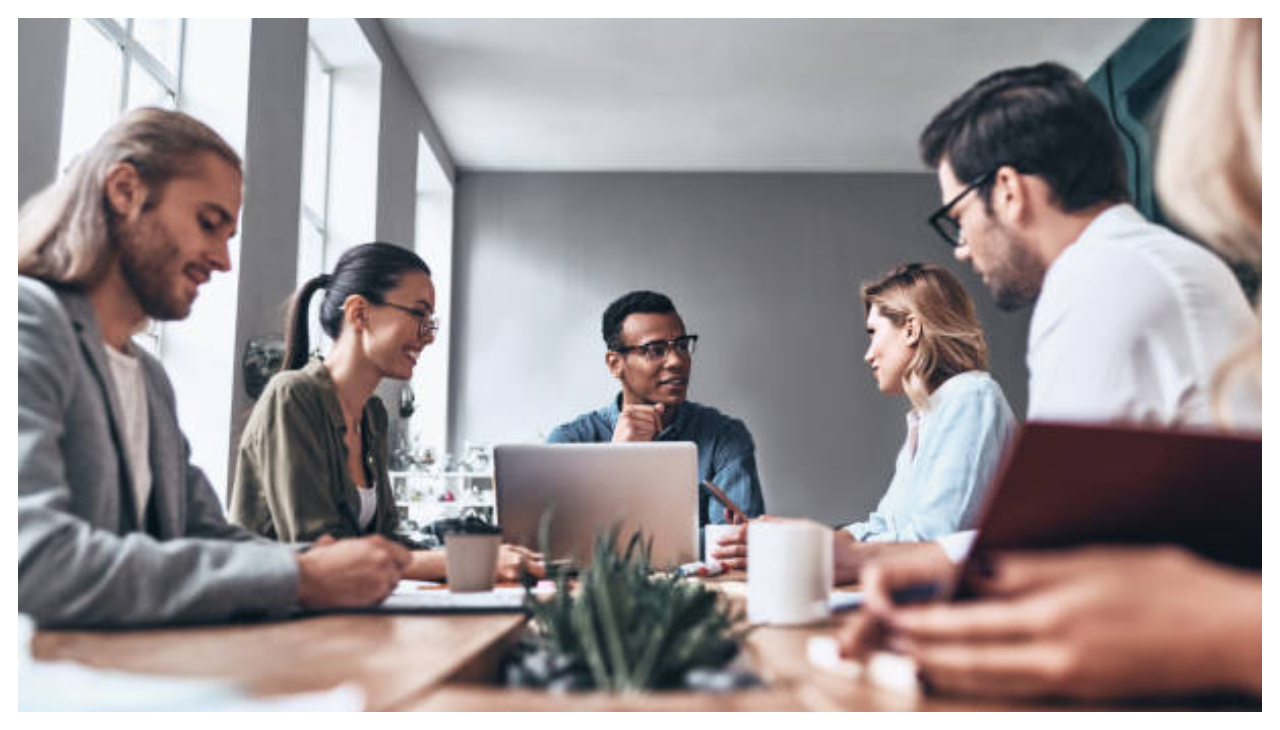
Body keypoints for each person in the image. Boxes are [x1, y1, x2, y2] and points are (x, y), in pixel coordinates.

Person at [838, 20, 1262, 701]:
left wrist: (889, 563)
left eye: (957, 215)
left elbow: (1057, 549)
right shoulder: (1144, 262)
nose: (962, 248)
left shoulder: (1100, 276)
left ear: (1008, 190)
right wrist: (930, 563)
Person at [18, 108, 411, 628]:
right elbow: (32, 563)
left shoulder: (148, 378)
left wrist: (315, 566)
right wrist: (300, 577)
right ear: (124, 191)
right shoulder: (26, 323)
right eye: (208, 224)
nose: (224, 260)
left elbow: (205, 533)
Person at [230, 243, 543, 583]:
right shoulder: (292, 396)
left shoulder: (372, 416)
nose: (428, 337)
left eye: (431, 321)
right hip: (275, 623)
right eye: (418, 315)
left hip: (344, 617)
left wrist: (486, 554)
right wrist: (466, 563)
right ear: (359, 313)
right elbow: (320, 554)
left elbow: (386, 542)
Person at [714, 264, 1016, 582]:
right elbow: (884, 527)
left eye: (873, 333)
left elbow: (933, 542)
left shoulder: (971, 396)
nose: (868, 355)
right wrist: (800, 537)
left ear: (911, 329)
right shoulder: (927, 416)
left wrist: (812, 549)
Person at [547, 290, 765, 530]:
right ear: (615, 364)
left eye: (682, 345)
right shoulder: (568, 444)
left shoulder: (724, 437)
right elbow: (557, 544)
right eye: (655, 350)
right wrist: (615, 462)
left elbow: (736, 542)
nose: (677, 361)